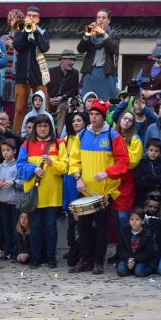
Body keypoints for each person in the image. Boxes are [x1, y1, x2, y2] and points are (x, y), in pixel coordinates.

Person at [67, 101, 129, 274]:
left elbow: (124, 161)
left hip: (104, 192)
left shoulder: (113, 136)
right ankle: (85, 259)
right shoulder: (81, 136)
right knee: (83, 228)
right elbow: (73, 160)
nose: (93, 118)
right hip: (85, 191)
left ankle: (98, 261)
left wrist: (107, 173)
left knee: (101, 228)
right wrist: (78, 177)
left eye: (97, 115)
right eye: (92, 115)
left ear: (103, 117)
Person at [17, 115, 66, 268]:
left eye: (45, 126)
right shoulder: (26, 144)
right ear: (35, 128)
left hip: (52, 195)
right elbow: (19, 166)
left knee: (51, 228)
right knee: (36, 227)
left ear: (50, 127)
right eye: (39, 126)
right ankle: (35, 258)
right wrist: (33, 169)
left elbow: (65, 167)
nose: (43, 129)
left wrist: (53, 163)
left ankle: (51, 257)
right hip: (34, 196)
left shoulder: (59, 144)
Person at [12, 7, 50, 133]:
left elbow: (44, 47)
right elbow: (16, 45)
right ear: (26, 17)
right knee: (19, 108)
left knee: (43, 107)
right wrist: (26, 31)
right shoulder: (20, 30)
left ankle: (44, 133)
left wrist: (35, 32)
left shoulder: (43, 32)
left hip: (39, 75)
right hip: (22, 75)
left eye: (34, 16)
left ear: (38, 19)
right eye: (29, 15)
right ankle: (17, 135)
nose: (32, 18)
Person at [62, 109, 88, 266]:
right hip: (69, 180)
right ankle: (73, 248)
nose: (76, 123)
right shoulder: (66, 139)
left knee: (83, 219)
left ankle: (83, 251)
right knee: (71, 218)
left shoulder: (88, 137)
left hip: (84, 179)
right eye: (74, 121)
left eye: (79, 120)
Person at [111, 110, 143, 237]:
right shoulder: (112, 134)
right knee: (114, 217)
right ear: (120, 119)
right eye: (125, 118)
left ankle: (126, 247)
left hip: (126, 181)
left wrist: (116, 157)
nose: (127, 121)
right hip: (111, 180)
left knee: (123, 217)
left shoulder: (135, 139)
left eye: (130, 120)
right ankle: (121, 249)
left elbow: (132, 162)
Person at [77, 9, 120, 101]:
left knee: (105, 101)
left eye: (103, 18)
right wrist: (86, 34)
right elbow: (80, 50)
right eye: (98, 17)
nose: (100, 20)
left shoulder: (113, 34)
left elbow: (113, 49)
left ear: (108, 20)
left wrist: (103, 34)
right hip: (90, 72)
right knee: (88, 101)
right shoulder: (91, 33)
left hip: (106, 73)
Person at [0, 139, 20, 262]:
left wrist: (13, 182)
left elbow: (23, 183)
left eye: (8, 150)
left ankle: (16, 252)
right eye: (3, 150)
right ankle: (8, 252)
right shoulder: (1, 166)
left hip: (14, 202)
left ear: (14, 151)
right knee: (6, 228)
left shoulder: (18, 165)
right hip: (3, 202)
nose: (5, 153)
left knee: (15, 229)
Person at [116, 208, 157, 277]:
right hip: (127, 259)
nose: (134, 222)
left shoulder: (147, 233)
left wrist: (135, 259)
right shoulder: (124, 232)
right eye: (132, 219)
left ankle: (151, 268)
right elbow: (120, 249)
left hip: (141, 260)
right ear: (128, 221)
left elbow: (149, 252)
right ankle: (131, 268)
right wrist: (129, 259)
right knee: (121, 270)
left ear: (143, 221)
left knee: (139, 272)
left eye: (137, 219)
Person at [48, 50, 81, 133]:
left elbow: (75, 90)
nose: (72, 62)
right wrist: (49, 99)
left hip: (65, 101)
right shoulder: (51, 71)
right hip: (49, 101)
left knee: (63, 107)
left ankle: (59, 135)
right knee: (41, 105)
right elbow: (44, 88)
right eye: (70, 59)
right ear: (62, 59)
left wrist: (62, 97)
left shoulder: (75, 73)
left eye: (73, 60)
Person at [135, 138, 161, 206]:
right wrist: (155, 185)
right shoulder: (141, 163)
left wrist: (148, 177)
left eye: (156, 151)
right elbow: (139, 181)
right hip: (143, 196)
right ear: (146, 150)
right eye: (151, 150)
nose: (153, 153)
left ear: (160, 153)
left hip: (159, 196)